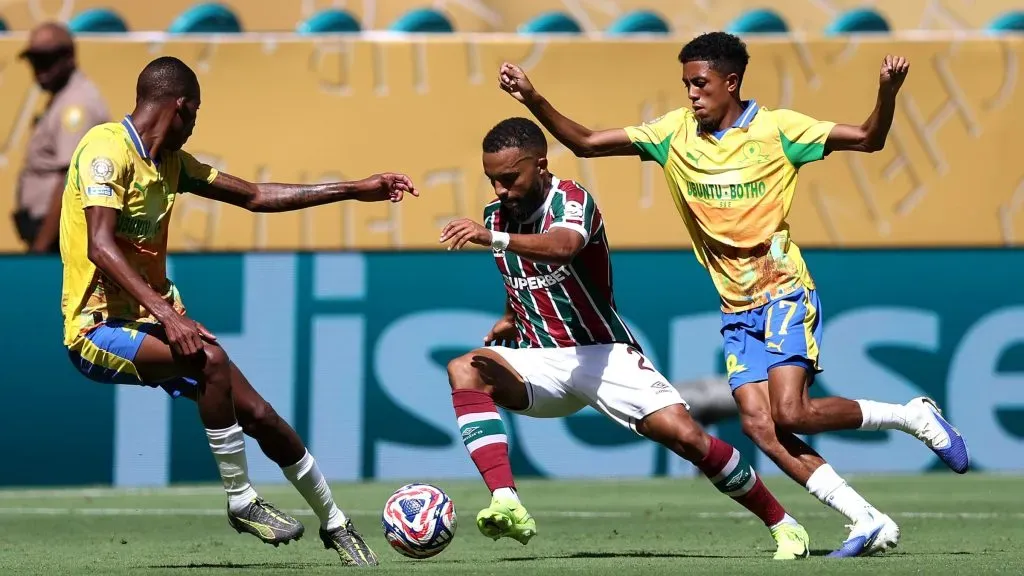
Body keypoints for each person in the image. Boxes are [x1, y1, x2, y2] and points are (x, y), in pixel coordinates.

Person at [499, 32, 970, 558]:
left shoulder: (779, 130)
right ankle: (867, 520)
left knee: (789, 413)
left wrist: (887, 92)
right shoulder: (673, 134)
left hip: (784, 290)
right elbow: (586, 143)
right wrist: (533, 99)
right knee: (760, 428)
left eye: (700, 84)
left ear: (731, 81)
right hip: (736, 307)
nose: (692, 95)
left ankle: (913, 416)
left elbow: (867, 137)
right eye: (685, 85)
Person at [60, 56, 417, 567]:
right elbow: (100, 244)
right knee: (211, 361)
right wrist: (169, 314)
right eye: (197, 114)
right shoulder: (104, 150)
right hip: (96, 329)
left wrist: (351, 189)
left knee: (259, 414)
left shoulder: (172, 165)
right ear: (181, 108)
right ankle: (241, 500)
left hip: (152, 321)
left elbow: (254, 195)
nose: (196, 124)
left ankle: (335, 522)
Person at [439, 117, 811, 560]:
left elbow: (561, 247)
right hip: (539, 359)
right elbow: (518, 273)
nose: (500, 190)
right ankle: (507, 500)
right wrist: (508, 317)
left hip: (602, 354)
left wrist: (492, 237)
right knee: (464, 368)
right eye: (492, 180)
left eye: (509, 178)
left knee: (686, 437)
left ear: (540, 165)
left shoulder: (572, 201)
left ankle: (784, 525)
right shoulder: (497, 215)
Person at [15, 22, 108, 253]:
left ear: (69, 56)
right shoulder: (63, 96)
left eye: (47, 60)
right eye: (34, 61)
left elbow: (68, 182)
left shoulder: (75, 105)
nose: (39, 70)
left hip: (59, 238)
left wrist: (41, 247)